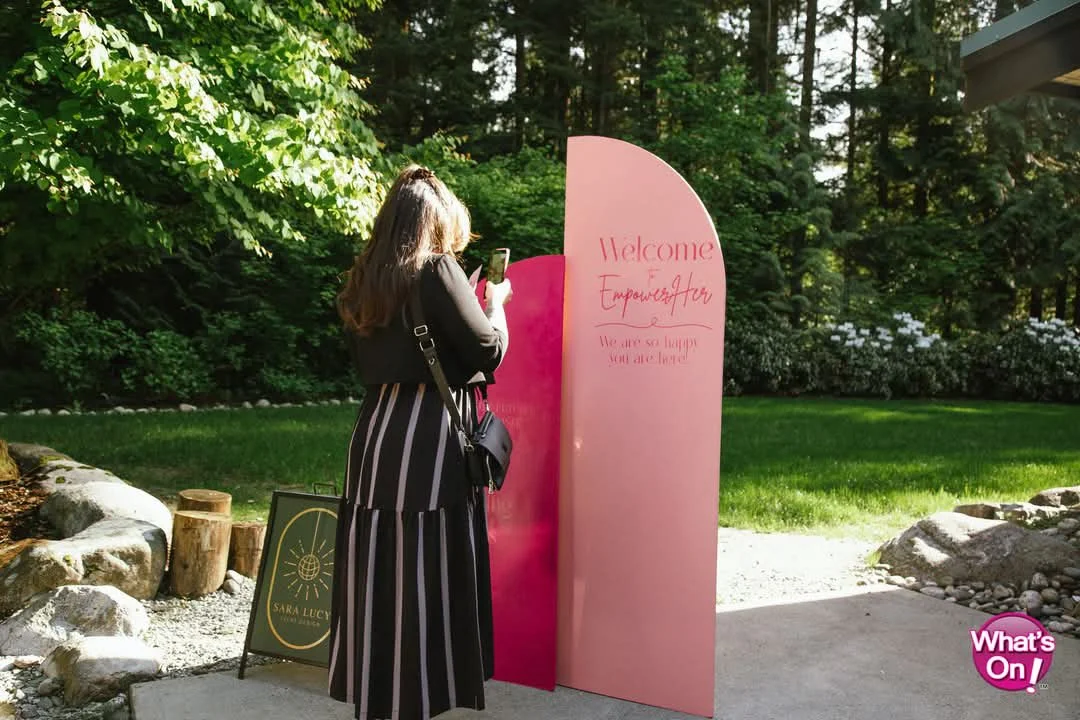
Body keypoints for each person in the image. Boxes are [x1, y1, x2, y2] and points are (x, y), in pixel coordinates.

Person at [327, 164, 512, 720]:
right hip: (429, 435)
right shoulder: (437, 270)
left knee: (378, 565)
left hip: (376, 431)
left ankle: (378, 696)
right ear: (435, 223)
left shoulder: (365, 277)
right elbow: (486, 350)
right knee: (427, 567)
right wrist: (496, 302)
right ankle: (420, 696)